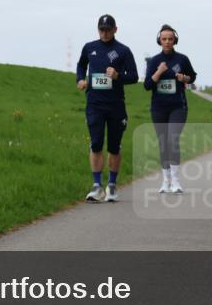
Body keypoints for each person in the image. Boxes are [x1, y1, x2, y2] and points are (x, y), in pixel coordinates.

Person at [76, 15, 138, 203]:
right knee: (96, 143)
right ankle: (96, 186)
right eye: (101, 29)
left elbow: (134, 76)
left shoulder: (123, 50)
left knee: (113, 146)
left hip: (115, 105)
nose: (105, 33)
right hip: (94, 103)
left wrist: (118, 75)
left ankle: (111, 185)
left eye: (108, 29)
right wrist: (80, 79)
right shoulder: (89, 47)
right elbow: (81, 65)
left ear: (115, 29)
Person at [143, 25, 196, 194]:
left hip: (178, 106)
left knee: (173, 140)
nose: (167, 42)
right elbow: (147, 85)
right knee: (163, 143)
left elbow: (192, 76)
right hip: (158, 107)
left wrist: (185, 77)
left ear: (175, 40)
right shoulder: (154, 61)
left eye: (170, 39)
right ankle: (165, 181)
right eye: (164, 39)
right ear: (159, 40)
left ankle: (176, 181)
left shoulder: (182, 59)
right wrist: (158, 72)